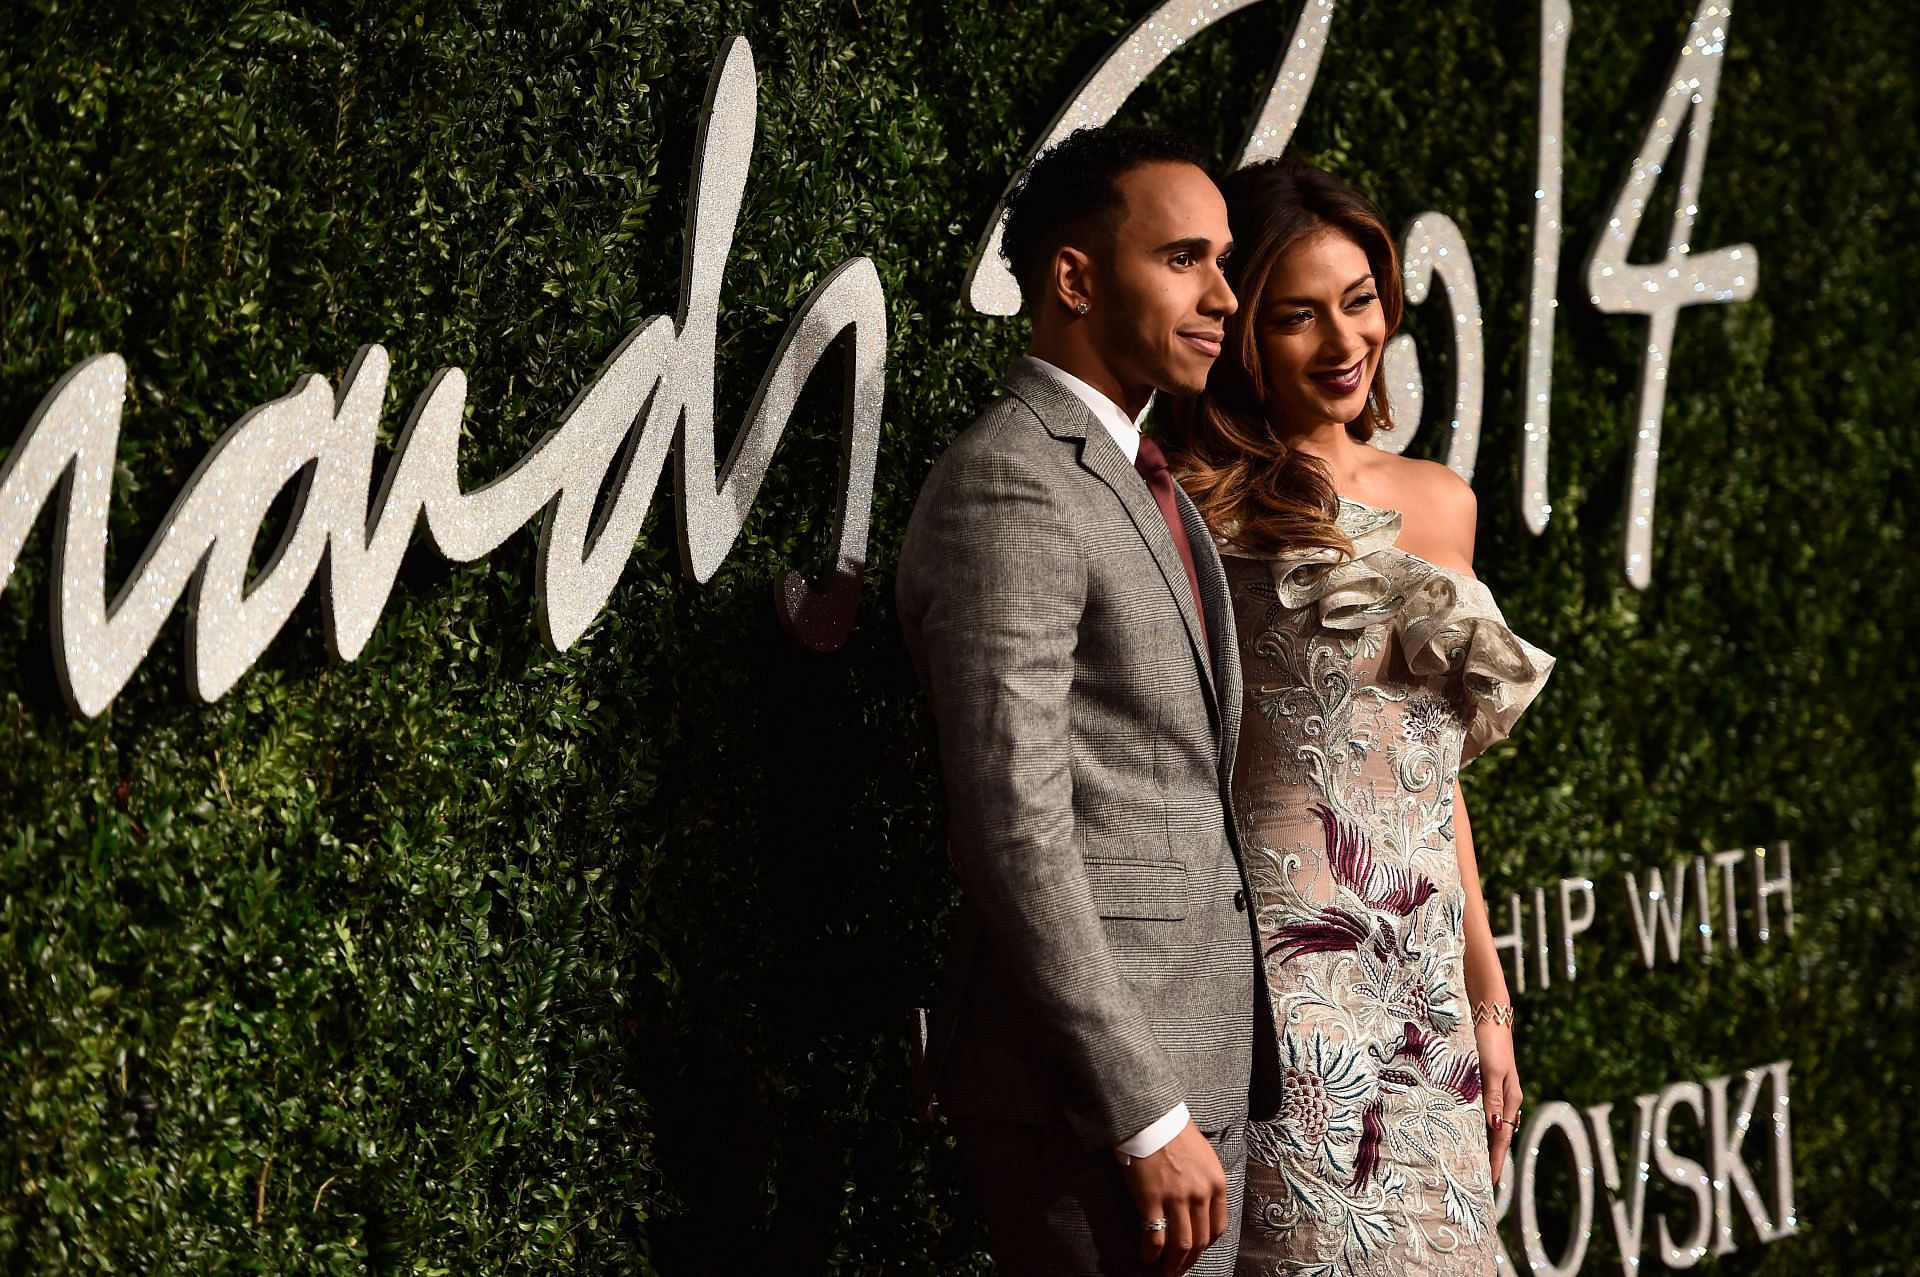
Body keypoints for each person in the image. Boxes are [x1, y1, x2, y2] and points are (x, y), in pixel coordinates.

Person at [897, 126, 1281, 1275]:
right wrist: (1144, 1107)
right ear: (1073, 277)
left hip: (1188, 1063)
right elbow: (1014, 828)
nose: (1224, 294)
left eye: (1223, 260)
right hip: (1099, 1099)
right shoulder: (1012, 481)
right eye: (1184, 260)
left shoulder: (1124, 469)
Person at [1170, 157, 1553, 1274]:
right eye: (1297, 316)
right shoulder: (1194, 495)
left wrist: (1487, 989)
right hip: (1284, 987)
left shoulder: (1443, 499)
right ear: (1240, 327)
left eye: (1361, 301)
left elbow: (1433, 781)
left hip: (1427, 986)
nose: (1344, 341)